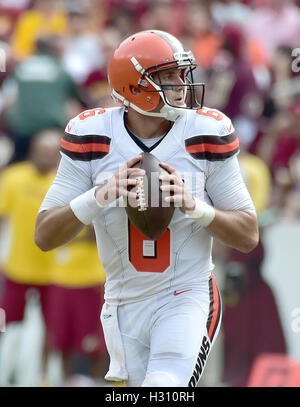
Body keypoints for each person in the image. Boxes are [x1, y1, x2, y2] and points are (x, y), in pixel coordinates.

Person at [35, 30, 259, 387]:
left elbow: (248, 234)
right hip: (121, 303)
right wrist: (101, 195)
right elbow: (44, 235)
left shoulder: (206, 131)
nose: (181, 84)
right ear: (134, 85)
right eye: (167, 76)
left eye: (180, 73)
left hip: (186, 295)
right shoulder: (91, 133)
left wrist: (193, 206)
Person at [0, 129, 61, 385]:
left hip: (55, 273)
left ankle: (44, 376)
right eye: (40, 153)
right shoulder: (14, 177)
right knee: (5, 323)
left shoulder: (64, 181)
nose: (44, 159)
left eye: (50, 154)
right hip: (18, 268)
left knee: (52, 331)